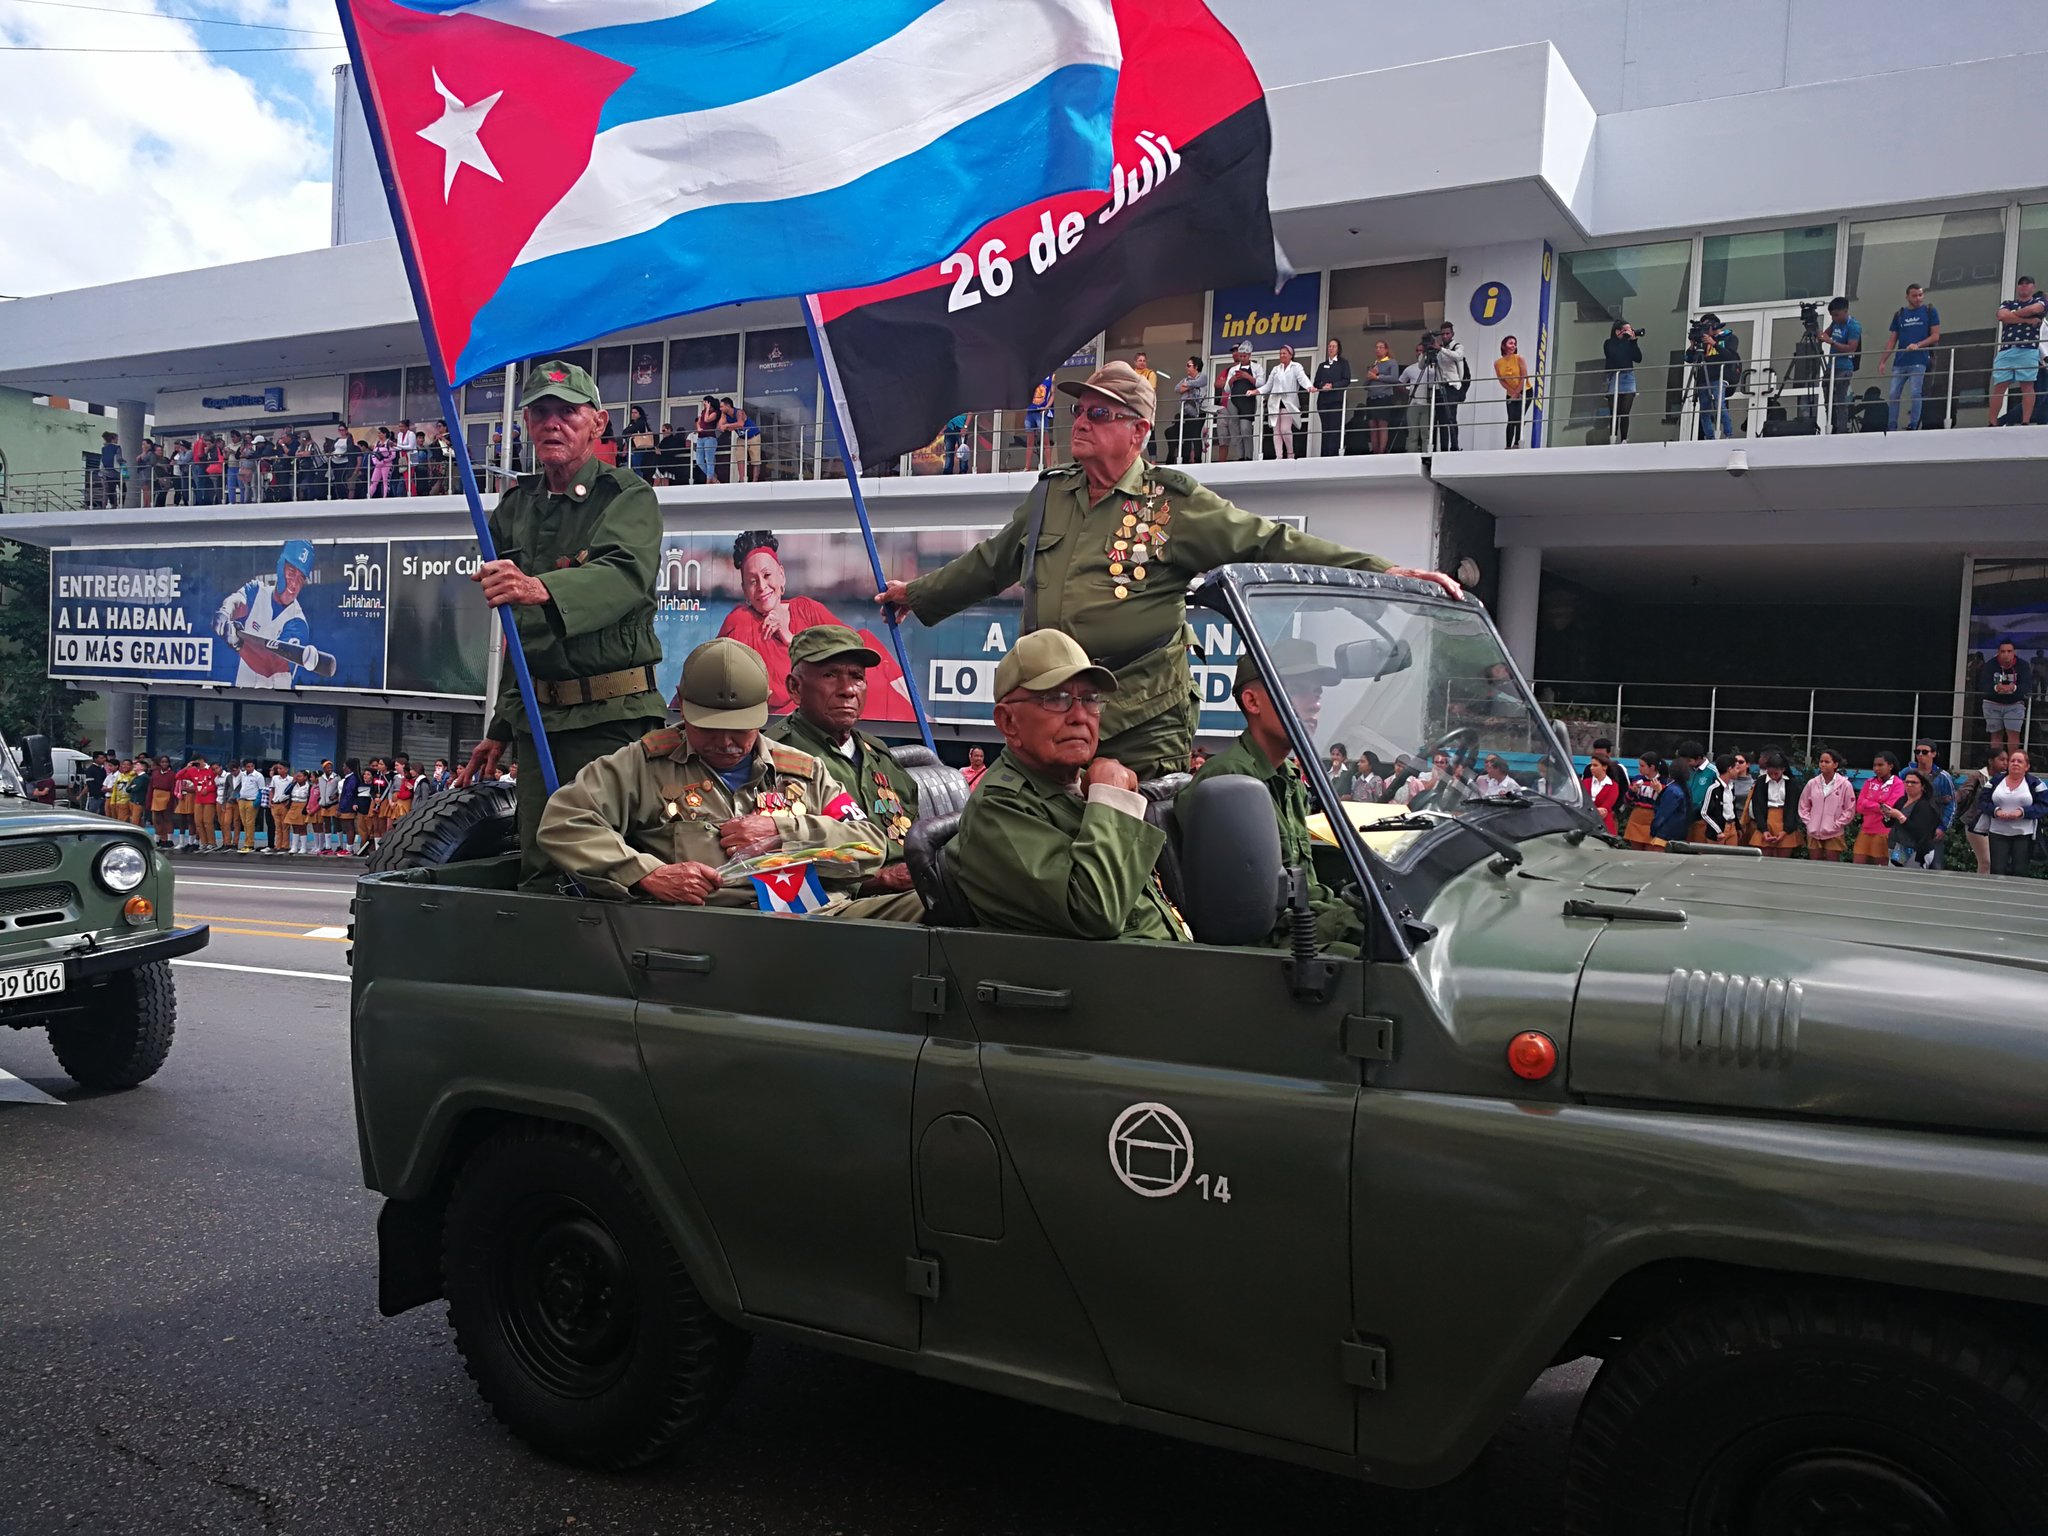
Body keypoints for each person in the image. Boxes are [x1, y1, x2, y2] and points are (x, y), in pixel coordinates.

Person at [876, 362, 1461, 779]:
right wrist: (918, 594)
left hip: (1140, 715)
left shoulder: (1172, 503)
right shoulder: (1050, 495)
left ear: (1137, 431)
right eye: (1078, 410)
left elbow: (1269, 542)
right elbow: (990, 562)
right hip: (1053, 709)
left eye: (1100, 413)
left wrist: (1382, 571)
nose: (1080, 421)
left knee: (1139, 850)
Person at [454, 360, 666, 889]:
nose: (553, 423)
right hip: (542, 724)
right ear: (526, 424)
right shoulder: (514, 508)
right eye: (541, 412)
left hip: (610, 721)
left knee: (614, 867)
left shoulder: (626, 495)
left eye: (567, 412)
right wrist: (502, 727)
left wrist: (538, 587)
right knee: (544, 869)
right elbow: (522, 634)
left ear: (597, 424)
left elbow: (624, 575)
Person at [537, 638, 882, 905]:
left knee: (928, 911)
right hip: (718, 930)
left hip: (818, 916)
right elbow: (564, 821)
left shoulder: (803, 769)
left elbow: (870, 846)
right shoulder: (643, 766)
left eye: (741, 728)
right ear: (682, 707)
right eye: (710, 728)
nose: (727, 742)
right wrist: (647, 873)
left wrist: (784, 832)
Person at [949, 630, 1185, 941]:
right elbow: (1093, 911)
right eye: (1056, 699)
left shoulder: (1078, 787)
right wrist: (1111, 801)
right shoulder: (999, 810)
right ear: (1008, 722)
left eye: (1090, 699)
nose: (1079, 716)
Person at [1191, 640, 1359, 953]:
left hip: (1300, 925)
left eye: (1317, 691)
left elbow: (1303, 885)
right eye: (1298, 689)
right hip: (1263, 945)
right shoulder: (1229, 781)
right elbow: (1239, 911)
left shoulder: (1289, 778)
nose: (1315, 703)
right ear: (1252, 702)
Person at [765, 625, 921, 896]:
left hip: (910, 891)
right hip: (837, 906)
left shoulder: (878, 754)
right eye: (830, 675)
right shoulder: (775, 755)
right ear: (795, 687)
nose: (848, 690)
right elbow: (771, 860)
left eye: (857, 677)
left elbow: (915, 833)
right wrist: (878, 880)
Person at [213, 540, 332, 689]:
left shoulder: (298, 623)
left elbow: (270, 666)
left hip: (275, 701)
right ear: (280, 566)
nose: (294, 584)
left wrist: (239, 644)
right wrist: (225, 612)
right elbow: (237, 602)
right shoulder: (257, 590)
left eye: (301, 578)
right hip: (241, 693)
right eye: (291, 572)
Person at [1977, 747, 2048, 876]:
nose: (2015, 763)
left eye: (2019, 761)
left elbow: (2044, 806)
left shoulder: (2035, 783)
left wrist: (2022, 812)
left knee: (2019, 871)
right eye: (2012, 761)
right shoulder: (1995, 781)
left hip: (2023, 834)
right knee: (1997, 870)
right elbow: (1982, 801)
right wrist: (1995, 811)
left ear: (2027, 767)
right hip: (1998, 832)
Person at [1880, 283, 1941, 430]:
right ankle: (1892, 425)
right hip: (1900, 361)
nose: (1918, 298)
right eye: (1914, 295)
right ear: (1907, 297)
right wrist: (1883, 361)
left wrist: (1918, 345)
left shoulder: (1929, 311)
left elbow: (1935, 336)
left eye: (1920, 295)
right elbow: (1892, 340)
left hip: (1919, 360)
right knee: (1894, 394)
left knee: (1915, 393)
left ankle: (1913, 425)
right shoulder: (1900, 314)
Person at [1989, 276, 2047, 428]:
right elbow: (2001, 316)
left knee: (2027, 385)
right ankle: (1993, 422)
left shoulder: (2039, 302)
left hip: (2028, 349)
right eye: (2021, 284)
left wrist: (2012, 315)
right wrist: (2027, 320)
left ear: (2033, 287)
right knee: (2000, 385)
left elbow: (2035, 310)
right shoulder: (2008, 303)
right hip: (2007, 348)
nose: (2023, 286)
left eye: (2027, 284)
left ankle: (2025, 421)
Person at [1797, 747, 1853, 866]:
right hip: (1813, 831)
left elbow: (1849, 809)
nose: (1823, 764)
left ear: (1835, 764)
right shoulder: (1812, 783)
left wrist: (1836, 825)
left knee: (1832, 866)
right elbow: (1803, 805)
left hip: (1834, 832)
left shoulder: (1845, 785)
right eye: (1821, 761)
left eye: (1827, 762)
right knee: (1814, 864)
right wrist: (1809, 822)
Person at [1955, 747, 2008, 874]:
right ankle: (1982, 887)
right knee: (1986, 861)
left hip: (1999, 824)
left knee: (1997, 862)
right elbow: (1964, 792)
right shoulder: (1978, 776)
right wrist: (1954, 798)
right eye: (2001, 759)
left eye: (2007, 760)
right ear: (1991, 761)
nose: (2005, 763)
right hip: (1976, 822)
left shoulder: (2008, 778)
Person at [1687, 315, 1740, 441]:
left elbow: (1730, 357)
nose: (1705, 331)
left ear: (1714, 326)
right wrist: (1692, 345)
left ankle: (1728, 434)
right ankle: (1709, 437)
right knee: (1704, 409)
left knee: (1719, 404)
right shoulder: (1703, 341)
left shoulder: (1730, 338)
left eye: (1706, 327)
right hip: (1703, 378)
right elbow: (1689, 359)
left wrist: (1714, 343)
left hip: (1720, 376)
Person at [1742, 750, 1803, 857]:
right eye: (1770, 773)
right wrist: (1763, 829)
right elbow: (1758, 806)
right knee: (1765, 856)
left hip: (1785, 820)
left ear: (1783, 770)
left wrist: (1786, 830)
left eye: (1776, 773)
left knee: (1783, 857)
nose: (1773, 776)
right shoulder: (1761, 782)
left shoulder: (1792, 783)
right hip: (1766, 819)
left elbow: (1793, 807)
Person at [1879, 768, 1942, 869]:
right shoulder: (1902, 800)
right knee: (1894, 872)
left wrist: (1900, 816)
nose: (1909, 785)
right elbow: (1889, 823)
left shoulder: (1925, 806)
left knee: (1912, 878)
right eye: (1907, 782)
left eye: (1914, 782)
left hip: (1917, 850)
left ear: (1923, 786)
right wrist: (1887, 815)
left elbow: (1918, 832)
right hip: (1901, 847)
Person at [1853, 751, 1905, 865]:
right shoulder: (1869, 782)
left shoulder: (1898, 784)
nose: (1876, 768)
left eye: (1880, 765)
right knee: (1858, 866)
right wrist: (1878, 805)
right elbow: (1860, 807)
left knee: (1881, 869)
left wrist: (1868, 803)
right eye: (1874, 765)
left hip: (1884, 832)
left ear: (1890, 766)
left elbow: (1889, 809)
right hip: (1865, 830)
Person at [1981, 639, 2030, 754]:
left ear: (2014, 652)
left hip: (2014, 704)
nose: (2006, 654)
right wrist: (1996, 688)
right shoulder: (1990, 665)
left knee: (2013, 736)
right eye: (2003, 651)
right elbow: (1983, 684)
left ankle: (2012, 766)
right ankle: (1998, 767)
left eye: (2009, 651)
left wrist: (2013, 688)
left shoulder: (2022, 665)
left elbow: (2027, 685)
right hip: (1992, 704)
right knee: (1996, 735)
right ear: (1998, 652)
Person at [1821, 297, 1862, 433]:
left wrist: (1832, 342)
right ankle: (1831, 424)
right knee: (1828, 399)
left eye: (1836, 315)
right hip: (1831, 367)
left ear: (1845, 311)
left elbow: (1851, 348)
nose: (1834, 318)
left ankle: (1841, 429)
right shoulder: (1835, 323)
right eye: (1832, 315)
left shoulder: (1853, 326)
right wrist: (1818, 334)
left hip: (1844, 367)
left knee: (1840, 400)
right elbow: (1824, 335)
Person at [1220, 344, 1263, 461]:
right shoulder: (1233, 369)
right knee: (1235, 430)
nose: (1242, 358)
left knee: (1245, 429)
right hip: (1233, 400)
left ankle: (1249, 456)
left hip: (1248, 401)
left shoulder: (1257, 367)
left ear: (1249, 355)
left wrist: (1247, 376)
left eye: (1244, 356)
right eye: (1240, 356)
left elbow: (1261, 384)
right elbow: (1226, 389)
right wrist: (1233, 379)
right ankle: (1240, 456)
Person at [1602, 321, 1644, 443]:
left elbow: (1638, 358)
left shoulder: (1629, 343)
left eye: (1630, 329)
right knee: (1614, 411)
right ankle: (1613, 438)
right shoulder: (1609, 343)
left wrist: (1633, 341)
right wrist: (1625, 340)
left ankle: (1624, 439)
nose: (1629, 332)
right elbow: (1615, 356)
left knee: (1625, 411)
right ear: (1617, 331)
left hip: (1628, 377)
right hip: (1614, 377)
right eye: (1626, 329)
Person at [1313, 339, 1352, 456]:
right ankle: (1324, 454)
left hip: (1336, 400)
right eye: (1329, 346)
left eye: (1333, 346)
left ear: (1338, 349)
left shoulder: (1343, 363)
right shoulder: (1322, 365)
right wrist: (1322, 386)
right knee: (1326, 429)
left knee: (1334, 428)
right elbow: (1316, 382)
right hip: (1323, 401)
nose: (1331, 348)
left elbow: (1346, 380)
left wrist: (1333, 386)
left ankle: (1332, 454)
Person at [1363, 340, 1401, 456]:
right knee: (1372, 425)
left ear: (1386, 349)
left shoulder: (1391, 362)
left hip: (1384, 397)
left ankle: (1381, 451)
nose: (1378, 349)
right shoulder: (1374, 364)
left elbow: (1395, 378)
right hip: (1371, 397)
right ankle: (1374, 451)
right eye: (1376, 347)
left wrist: (1378, 376)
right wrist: (1370, 376)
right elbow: (1364, 385)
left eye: (1381, 347)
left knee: (1382, 424)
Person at [1911, 741, 1956, 837]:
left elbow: (1951, 805)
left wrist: (1942, 827)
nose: (1920, 755)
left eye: (1924, 752)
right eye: (1917, 751)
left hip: (1933, 826)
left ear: (1934, 754)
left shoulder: (1943, 777)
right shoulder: (1906, 773)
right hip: (1908, 825)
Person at [1171, 356, 1210, 465]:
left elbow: (1197, 383)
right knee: (1186, 435)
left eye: (1189, 365)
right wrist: (1188, 385)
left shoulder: (1203, 377)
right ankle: (1186, 459)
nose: (1186, 368)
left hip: (1199, 411)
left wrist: (1187, 385)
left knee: (1195, 434)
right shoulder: (1185, 379)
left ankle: (1198, 459)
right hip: (1187, 411)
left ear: (1196, 367)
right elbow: (1177, 388)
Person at [1698, 754, 1743, 845]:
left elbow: (1732, 808)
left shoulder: (1731, 787)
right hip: (1718, 832)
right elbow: (1704, 812)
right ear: (1729, 769)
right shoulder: (1713, 789)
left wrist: (1737, 827)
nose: (1739, 771)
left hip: (1732, 826)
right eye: (1736, 768)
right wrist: (1718, 830)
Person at [1495, 336, 1531, 448]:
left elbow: (1524, 377)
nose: (1513, 346)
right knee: (1511, 419)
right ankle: (1508, 445)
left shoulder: (1519, 358)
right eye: (1511, 343)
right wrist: (1513, 393)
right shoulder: (1498, 363)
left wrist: (1517, 393)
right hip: (1510, 393)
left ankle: (1516, 443)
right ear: (1504, 345)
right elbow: (1501, 380)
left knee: (1519, 417)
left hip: (1525, 391)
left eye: (1515, 344)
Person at [1582, 754, 1621, 835]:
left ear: (1604, 767)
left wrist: (1589, 811)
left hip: (1604, 825)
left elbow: (1605, 809)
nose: (1591, 768)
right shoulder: (1585, 782)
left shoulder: (1613, 786)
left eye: (1595, 765)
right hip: (1585, 823)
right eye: (1591, 765)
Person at [233, 759, 265, 853]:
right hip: (242, 800)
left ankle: (249, 844)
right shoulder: (242, 774)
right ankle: (246, 842)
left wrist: (258, 800)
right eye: (248, 766)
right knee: (244, 823)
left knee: (250, 823)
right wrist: (238, 796)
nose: (250, 768)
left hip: (252, 801)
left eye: (252, 766)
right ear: (244, 767)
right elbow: (240, 786)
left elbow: (261, 789)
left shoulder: (258, 776)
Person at [693, 395, 722, 483]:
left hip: (710, 438)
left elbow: (706, 420)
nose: (703, 404)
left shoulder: (715, 412)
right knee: (699, 461)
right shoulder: (703, 412)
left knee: (709, 460)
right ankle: (713, 478)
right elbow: (698, 422)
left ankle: (708, 480)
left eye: (705, 402)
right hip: (701, 438)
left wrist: (708, 408)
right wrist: (698, 428)